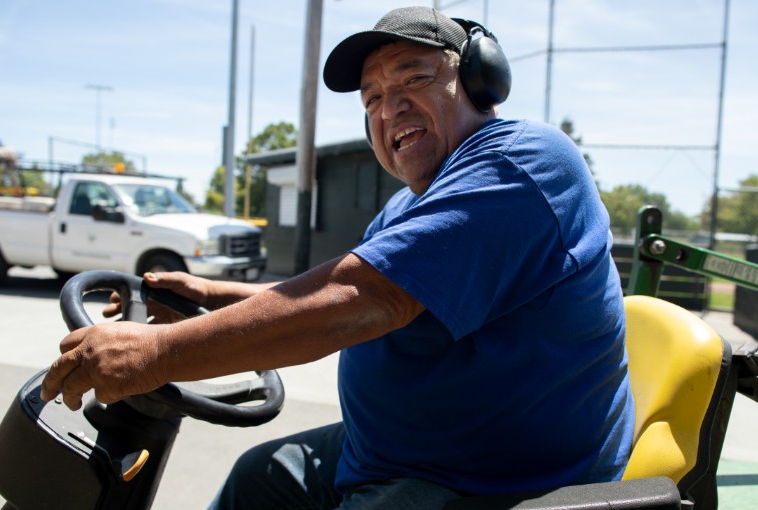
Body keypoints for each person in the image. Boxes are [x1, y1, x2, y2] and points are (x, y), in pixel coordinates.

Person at [40, 6, 634, 509]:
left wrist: (156, 356)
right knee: (256, 479)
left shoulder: (522, 163)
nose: (388, 108)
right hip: (389, 455)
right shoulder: (411, 205)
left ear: (480, 82)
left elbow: (364, 299)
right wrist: (208, 297)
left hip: (488, 482)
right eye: (372, 97)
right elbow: (346, 287)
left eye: (413, 80)